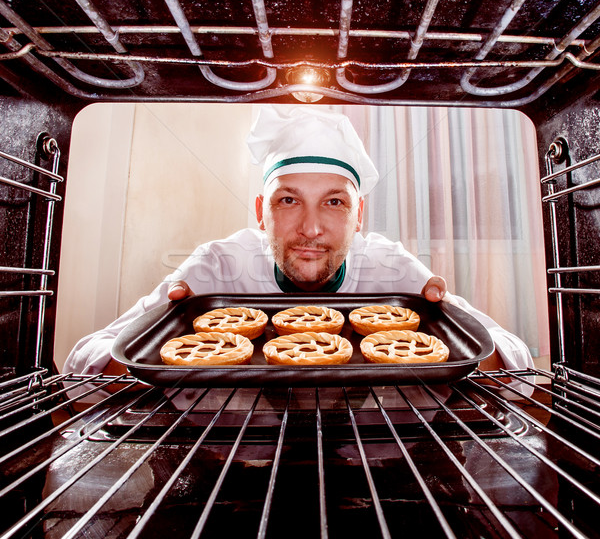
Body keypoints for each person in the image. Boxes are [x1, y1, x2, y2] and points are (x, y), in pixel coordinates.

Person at [63, 105, 534, 385]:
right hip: (226, 461)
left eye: (333, 202)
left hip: (380, 461)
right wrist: (162, 332)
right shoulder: (217, 266)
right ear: (259, 211)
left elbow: (516, 364)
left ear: (360, 215)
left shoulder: (390, 267)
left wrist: (451, 326)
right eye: (288, 200)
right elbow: (83, 362)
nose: (310, 229)